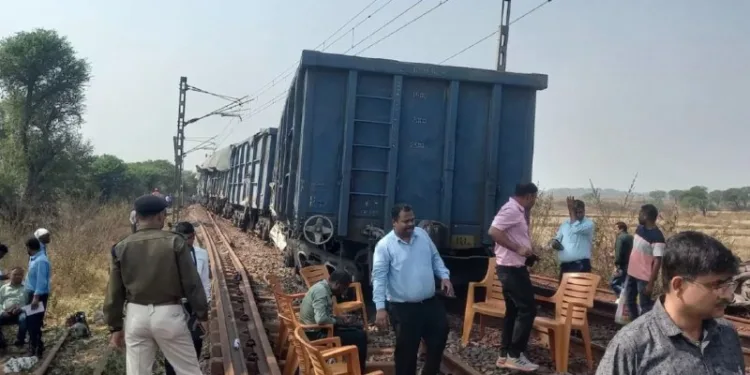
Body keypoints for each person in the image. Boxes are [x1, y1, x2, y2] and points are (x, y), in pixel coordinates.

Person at [596, 231, 745, 374]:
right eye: (718, 285)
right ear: (678, 286)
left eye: (728, 283)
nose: (728, 295)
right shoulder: (632, 345)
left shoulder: (727, 334)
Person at [103, 194, 208, 375]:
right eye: (164, 215)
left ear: (137, 217)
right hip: (169, 314)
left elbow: (114, 291)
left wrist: (115, 327)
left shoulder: (120, 247)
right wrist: (202, 314)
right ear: (160, 216)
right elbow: (191, 283)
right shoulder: (175, 242)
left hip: (136, 316)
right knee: (188, 371)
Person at [372, 204, 454, 375]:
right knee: (406, 351)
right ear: (394, 222)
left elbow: (435, 258)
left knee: (440, 334)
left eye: (412, 220)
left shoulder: (422, 235)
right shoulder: (384, 246)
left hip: (430, 303)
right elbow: (379, 279)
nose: (411, 224)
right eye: (406, 221)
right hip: (403, 308)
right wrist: (380, 308)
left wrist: (444, 276)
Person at [487, 183, 540, 372]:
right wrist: (518, 249)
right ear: (529, 196)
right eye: (535, 197)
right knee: (527, 310)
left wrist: (526, 253)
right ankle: (515, 355)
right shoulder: (512, 210)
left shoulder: (515, 210)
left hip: (512, 267)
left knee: (513, 311)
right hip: (511, 270)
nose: (534, 201)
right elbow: (493, 231)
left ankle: (504, 355)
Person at [163, 221, 211, 375]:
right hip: (173, 305)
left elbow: (204, 283)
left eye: (188, 239)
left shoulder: (201, 255)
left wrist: (205, 307)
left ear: (193, 237)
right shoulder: (166, 256)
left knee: (195, 342)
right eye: (182, 239)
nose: (185, 243)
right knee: (170, 345)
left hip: (193, 306)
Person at [300, 270, 368, 374]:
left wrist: (339, 318)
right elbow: (321, 319)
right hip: (315, 334)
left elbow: (322, 314)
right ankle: (359, 371)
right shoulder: (321, 292)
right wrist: (337, 321)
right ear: (337, 284)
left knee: (357, 328)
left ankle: (353, 365)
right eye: (343, 288)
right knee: (360, 337)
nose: (343, 292)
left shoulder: (322, 287)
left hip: (318, 328)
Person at [625, 204, 665, 319]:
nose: (638, 216)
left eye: (640, 214)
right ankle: (634, 325)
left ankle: (645, 329)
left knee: (645, 306)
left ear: (646, 216)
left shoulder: (657, 237)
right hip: (631, 272)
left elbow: (658, 261)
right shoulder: (639, 229)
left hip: (644, 278)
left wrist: (650, 283)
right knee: (629, 300)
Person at [551, 197, 594, 279]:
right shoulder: (565, 224)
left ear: (584, 211)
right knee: (564, 291)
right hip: (565, 266)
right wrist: (555, 243)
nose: (577, 215)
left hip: (580, 266)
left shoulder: (588, 224)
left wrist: (572, 212)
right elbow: (557, 238)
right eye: (575, 212)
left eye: (580, 212)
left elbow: (575, 229)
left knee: (578, 291)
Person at [24, 237, 50, 357]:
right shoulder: (33, 259)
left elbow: (42, 281)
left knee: (34, 323)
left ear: (30, 248)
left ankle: (36, 348)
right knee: (31, 322)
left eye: (27, 248)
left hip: (37, 296)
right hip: (31, 294)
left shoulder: (41, 261)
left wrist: (36, 297)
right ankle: (36, 346)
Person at [0, 267, 28, 351]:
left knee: (24, 319)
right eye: (15, 274)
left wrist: (21, 309)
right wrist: (2, 312)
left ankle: (20, 340)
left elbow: (32, 305)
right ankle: (1, 342)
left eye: (20, 274)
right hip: (6, 313)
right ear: (10, 275)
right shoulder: (3, 288)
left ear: (23, 276)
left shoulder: (27, 288)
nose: (17, 276)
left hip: (21, 312)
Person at [610, 222, 633, 299]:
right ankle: (621, 301)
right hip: (631, 265)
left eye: (616, 229)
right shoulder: (631, 237)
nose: (615, 231)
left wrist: (616, 265)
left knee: (613, 283)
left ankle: (624, 296)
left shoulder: (620, 238)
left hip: (622, 265)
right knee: (624, 283)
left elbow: (618, 253)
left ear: (621, 229)